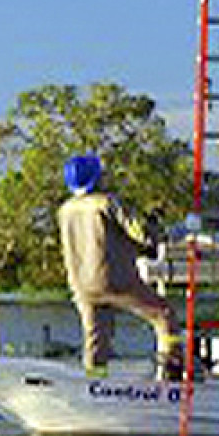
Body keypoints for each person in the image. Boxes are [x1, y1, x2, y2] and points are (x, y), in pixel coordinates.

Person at [56, 153, 177, 376]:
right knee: (164, 315)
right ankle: (171, 373)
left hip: (81, 286)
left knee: (96, 339)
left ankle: (94, 381)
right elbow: (139, 233)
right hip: (113, 279)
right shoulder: (107, 203)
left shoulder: (65, 210)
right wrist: (157, 233)